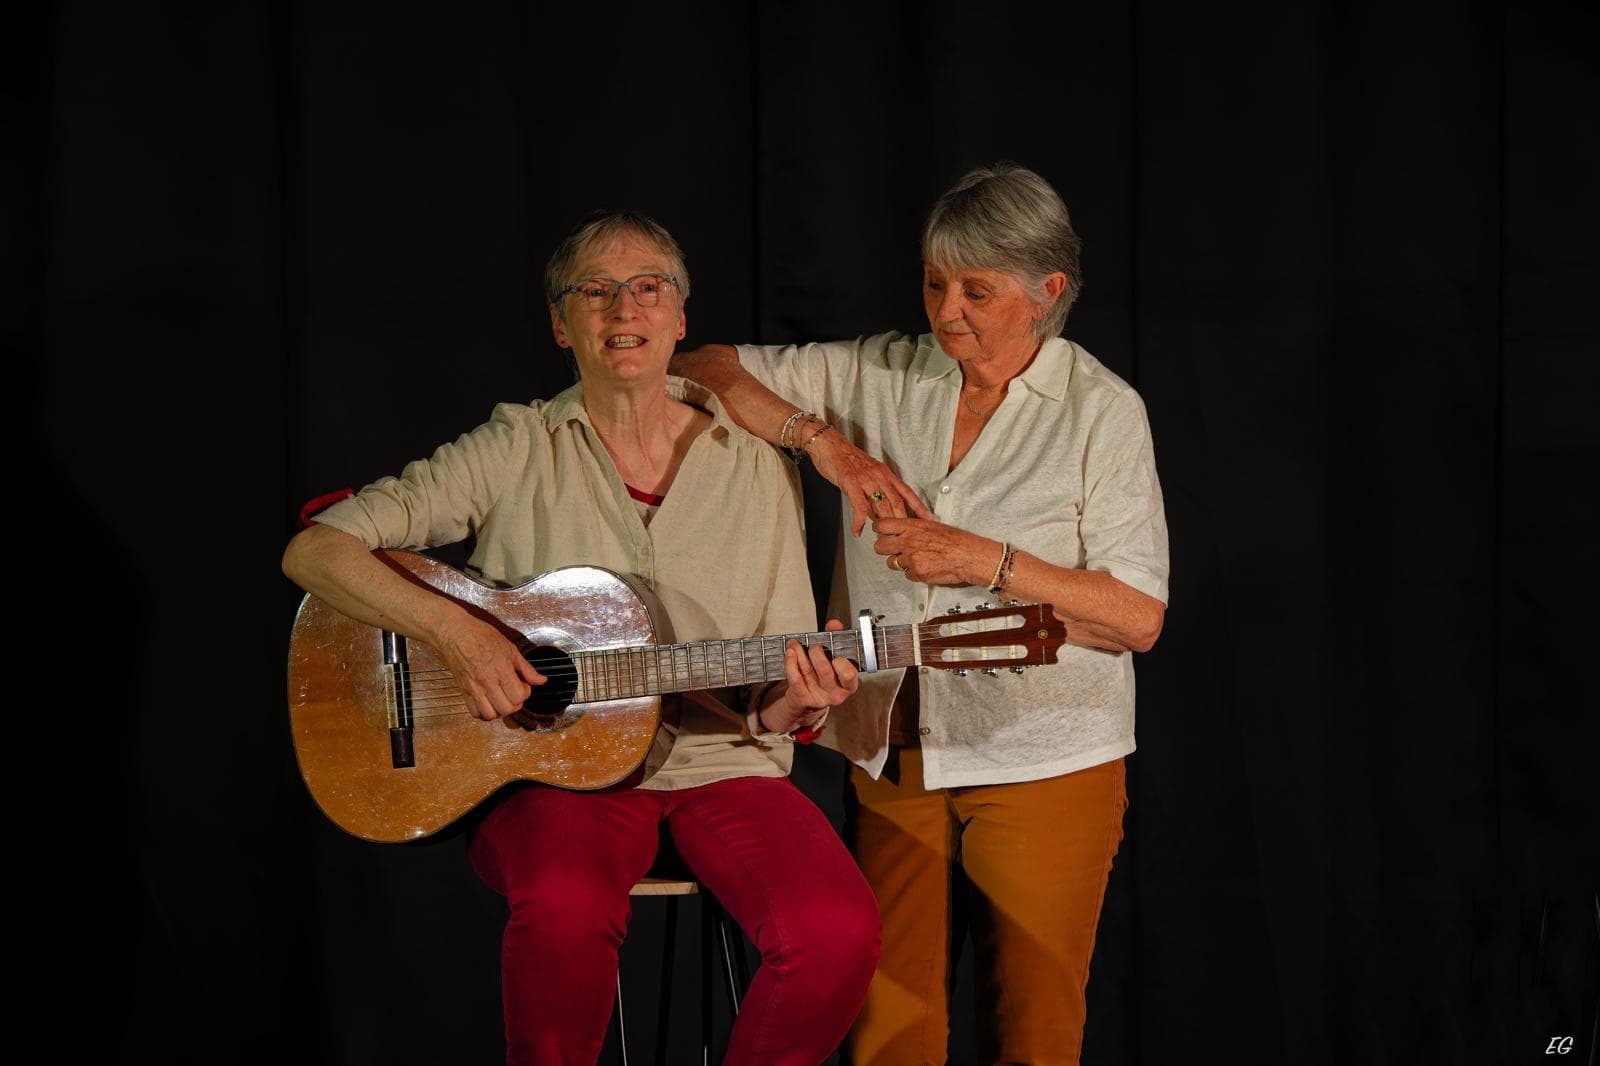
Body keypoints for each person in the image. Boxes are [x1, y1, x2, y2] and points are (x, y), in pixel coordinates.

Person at [282, 210, 880, 1065]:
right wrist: (459, 635)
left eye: (647, 288)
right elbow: (317, 548)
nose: (621, 308)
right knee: (563, 905)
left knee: (837, 932)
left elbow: (774, 710)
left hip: (724, 770)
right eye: (593, 291)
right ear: (561, 324)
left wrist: (800, 693)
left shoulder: (757, 462)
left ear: (680, 316)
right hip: (553, 777)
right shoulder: (514, 445)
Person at [673, 163, 1170, 1065]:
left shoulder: (1103, 413)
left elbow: (1136, 616)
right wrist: (823, 444)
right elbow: (699, 367)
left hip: (1047, 757)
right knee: (889, 1033)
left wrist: (981, 559)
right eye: (936, 283)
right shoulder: (882, 371)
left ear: (1045, 293)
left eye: (977, 291)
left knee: (1033, 1032)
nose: (948, 312)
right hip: (893, 746)